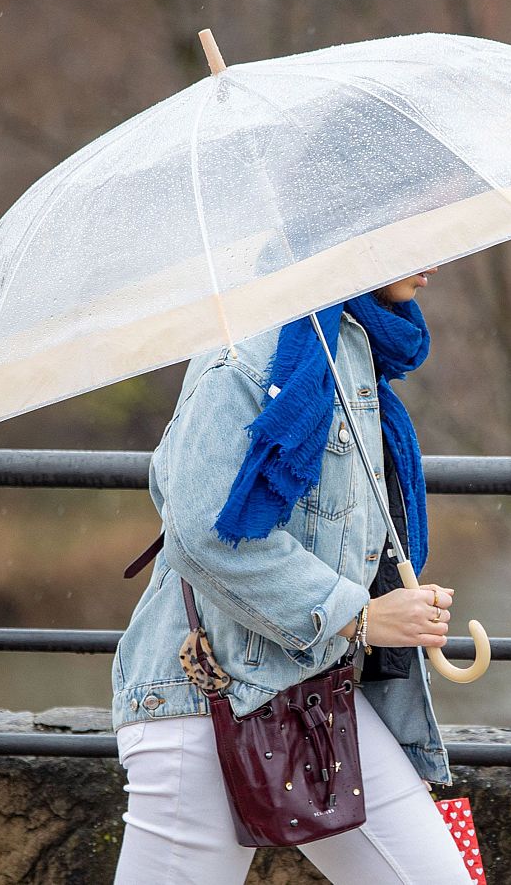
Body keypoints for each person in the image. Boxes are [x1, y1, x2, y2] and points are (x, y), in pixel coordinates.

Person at [110, 266, 473, 884]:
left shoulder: (345, 346)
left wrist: (390, 594)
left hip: (315, 700)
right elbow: (200, 533)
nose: (432, 264)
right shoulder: (251, 346)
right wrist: (360, 618)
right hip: (204, 701)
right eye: (413, 235)